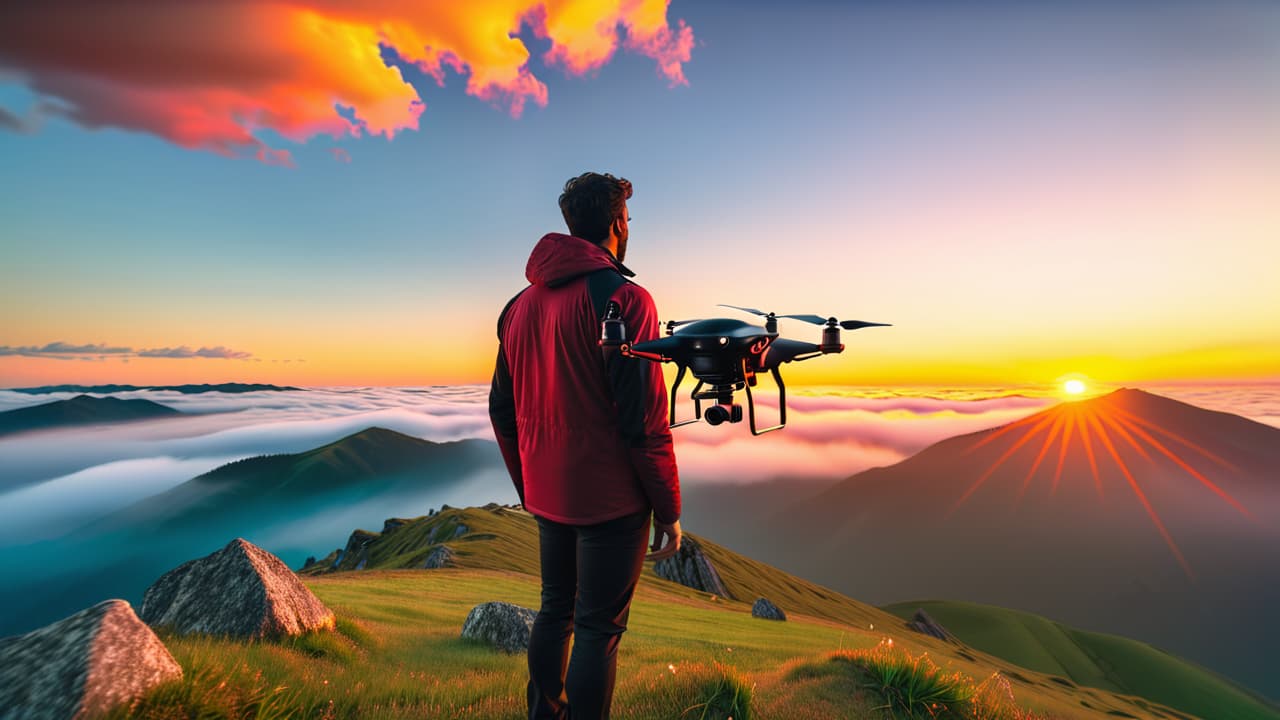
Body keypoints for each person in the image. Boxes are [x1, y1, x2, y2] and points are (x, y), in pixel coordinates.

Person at [489, 171, 682, 720]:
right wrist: (668, 510)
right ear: (619, 223)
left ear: (572, 225)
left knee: (556, 612)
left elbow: (501, 409)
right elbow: (644, 424)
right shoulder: (625, 299)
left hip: (550, 496)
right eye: (629, 219)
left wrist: (529, 485)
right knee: (599, 629)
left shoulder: (517, 307)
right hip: (611, 502)